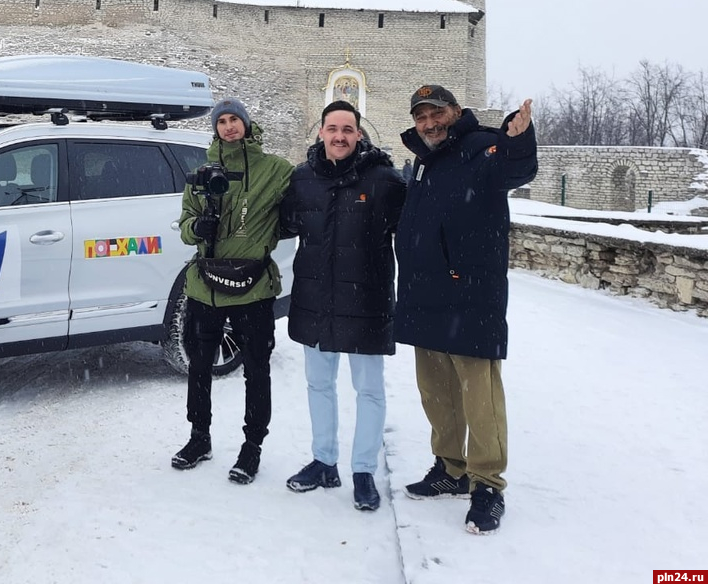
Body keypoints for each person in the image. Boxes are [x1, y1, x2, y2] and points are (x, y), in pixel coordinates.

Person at [395, 84, 536, 535]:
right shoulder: (425, 160)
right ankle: (450, 468)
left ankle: (487, 485)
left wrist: (518, 139)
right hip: (424, 293)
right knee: (436, 393)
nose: (430, 123)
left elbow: (514, 169)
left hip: (469, 294)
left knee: (480, 395)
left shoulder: (482, 148)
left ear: (456, 112)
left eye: (437, 113)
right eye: (422, 117)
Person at [278, 101, 405, 511]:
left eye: (347, 129)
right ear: (320, 132)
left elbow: (413, 231)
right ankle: (324, 461)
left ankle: (364, 470)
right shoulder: (302, 179)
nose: (339, 136)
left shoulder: (384, 180)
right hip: (316, 301)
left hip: (366, 302)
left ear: (359, 133)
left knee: (368, 389)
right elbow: (278, 223)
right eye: (332, 128)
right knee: (319, 384)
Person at [171, 98, 294, 484]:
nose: (228, 127)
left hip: (253, 288)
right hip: (204, 285)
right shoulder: (201, 173)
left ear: (246, 123)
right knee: (200, 367)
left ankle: (252, 446)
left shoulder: (275, 170)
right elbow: (185, 221)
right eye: (221, 121)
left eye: (234, 119)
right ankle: (199, 437)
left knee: (257, 371)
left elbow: (299, 206)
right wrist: (197, 229)